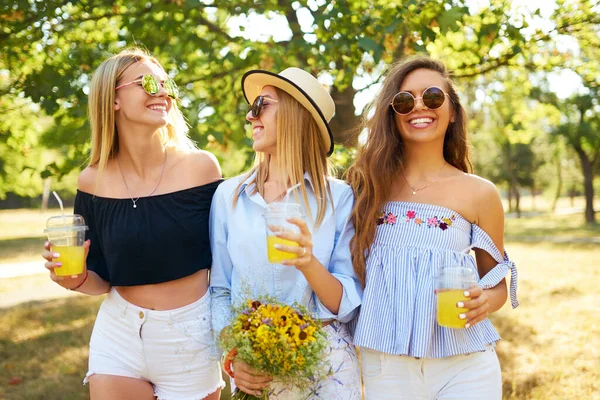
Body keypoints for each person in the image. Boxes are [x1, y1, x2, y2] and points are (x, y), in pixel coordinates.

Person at [42, 48, 224, 400]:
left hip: (191, 336)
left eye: (166, 83)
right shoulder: (91, 181)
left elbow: (227, 259)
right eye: (147, 83)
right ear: (112, 99)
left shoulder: (201, 168)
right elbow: (100, 276)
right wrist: (75, 279)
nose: (162, 91)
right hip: (120, 333)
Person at [346, 56, 519, 399]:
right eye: (405, 100)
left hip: (465, 365)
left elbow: (497, 284)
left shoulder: (480, 193)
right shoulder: (363, 188)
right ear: (392, 114)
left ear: (452, 111)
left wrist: (485, 300)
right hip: (387, 366)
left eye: (433, 97)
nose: (419, 107)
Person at [209, 67, 362, 399]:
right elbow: (219, 291)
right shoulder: (228, 196)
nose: (250, 116)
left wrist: (307, 262)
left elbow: (345, 304)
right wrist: (232, 355)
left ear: (296, 114)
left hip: (326, 367)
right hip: (256, 369)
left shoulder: (339, 198)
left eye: (262, 104)